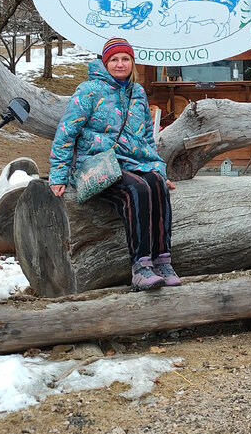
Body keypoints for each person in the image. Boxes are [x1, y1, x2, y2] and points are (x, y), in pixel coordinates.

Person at [49, 36, 180, 291]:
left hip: (132, 163)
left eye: (125, 59)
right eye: (114, 60)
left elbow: (145, 138)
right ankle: (141, 267)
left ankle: (162, 260)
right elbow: (66, 132)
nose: (120, 65)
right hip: (97, 165)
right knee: (137, 189)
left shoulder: (138, 93)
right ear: (105, 62)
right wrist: (59, 175)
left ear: (132, 62)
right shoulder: (89, 91)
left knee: (156, 185)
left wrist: (158, 171)